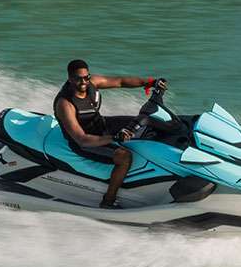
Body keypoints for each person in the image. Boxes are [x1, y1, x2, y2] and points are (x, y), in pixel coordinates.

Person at [54, 59, 161, 209]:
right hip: (86, 141)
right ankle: (108, 201)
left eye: (86, 77)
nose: (84, 82)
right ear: (70, 78)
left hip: (101, 124)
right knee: (124, 157)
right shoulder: (65, 104)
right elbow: (81, 139)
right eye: (78, 79)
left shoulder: (92, 82)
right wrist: (114, 138)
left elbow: (120, 81)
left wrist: (150, 82)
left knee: (142, 123)